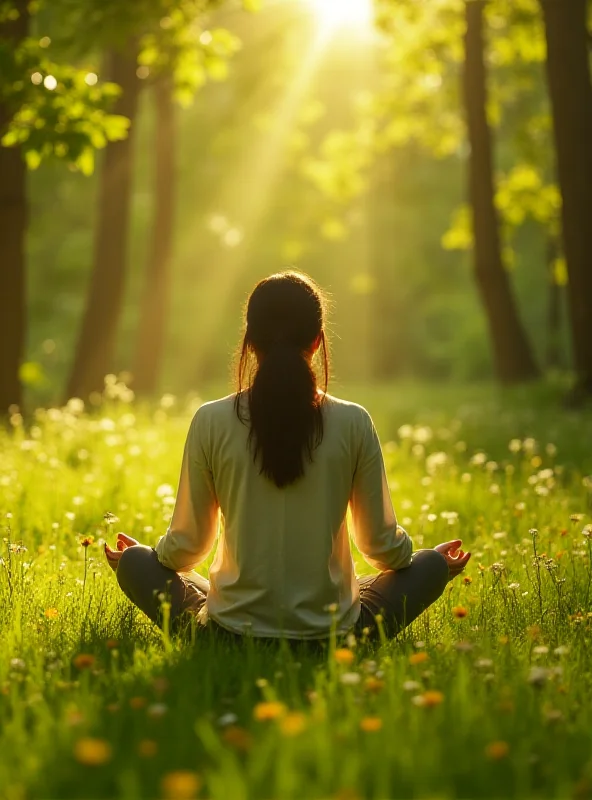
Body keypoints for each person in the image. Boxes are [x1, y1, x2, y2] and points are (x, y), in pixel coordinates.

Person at [105, 271, 470, 641]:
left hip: (228, 633)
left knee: (136, 563)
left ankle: (206, 621)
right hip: (335, 636)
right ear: (316, 341)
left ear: (249, 342)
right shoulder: (353, 421)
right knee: (427, 566)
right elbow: (382, 548)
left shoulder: (211, 420)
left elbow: (187, 548)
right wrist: (431, 561)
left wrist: (149, 558)